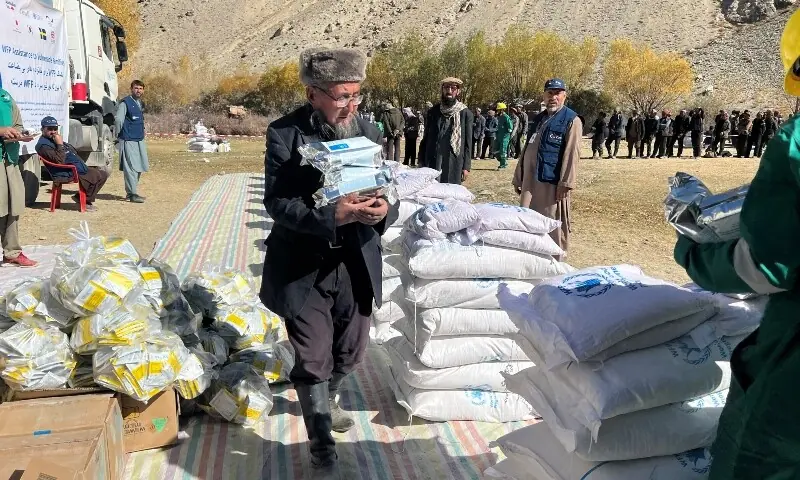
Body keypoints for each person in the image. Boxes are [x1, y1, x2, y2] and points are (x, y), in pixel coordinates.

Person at [259, 48, 398, 478]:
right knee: (314, 356)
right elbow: (277, 203)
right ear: (313, 93)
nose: (351, 105)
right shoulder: (284, 134)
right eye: (342, 97)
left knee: (352, 352)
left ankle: (329, 399)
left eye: (356, 95)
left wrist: (383, 211)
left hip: (354, 262)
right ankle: (323, 449)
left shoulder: (369, 130)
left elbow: (382, 187)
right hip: (304, 266)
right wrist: (329, 216)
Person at [674, 14, 800, 480]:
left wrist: (694, 253)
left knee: (749, 459)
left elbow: (765, 268)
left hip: (791, 377)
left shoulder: (796, 142)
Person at [513, 79, 581, 260]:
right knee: (528, 220)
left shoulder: (571, 120)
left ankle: (554, 263)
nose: (553, 97)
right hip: (529, 181)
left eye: (558, 93)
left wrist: (566, 183)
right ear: (544, 95)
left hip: (552, 183)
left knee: (552, 223)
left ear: (564, 96)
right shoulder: (540, 118)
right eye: (550, 93)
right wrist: (519, 175)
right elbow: (528, 147)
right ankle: (531, 260)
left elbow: (572, 154)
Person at [35, 116, 109, 212]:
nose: (53, 131)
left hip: (74, 167)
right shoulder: (43, 145)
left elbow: (72, 151)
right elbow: (59, 161)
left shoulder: (53, 139)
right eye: (49, 129)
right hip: (64, 171)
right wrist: (60, 144)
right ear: (42, 129)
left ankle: (81, 197)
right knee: (95, 175)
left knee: (103, 174)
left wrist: (62, 144)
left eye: (55, 129)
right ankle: (85, 201)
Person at [0, 87, 37, 267]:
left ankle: (12, 252)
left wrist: (19, 134)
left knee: (13, 203)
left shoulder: (5, 96)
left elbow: (17, 123)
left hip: (10, 158)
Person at [419, 77, 473, 183]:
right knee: (432, 190)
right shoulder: (433, 112)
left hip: (454, 160)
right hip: (433, 159)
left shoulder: (466, 114)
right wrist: (421, 159)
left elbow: (468, 143)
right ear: (442, 89)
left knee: (451, 193)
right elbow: (425, 138)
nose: (449, 91)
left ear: (458, 91)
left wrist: (466, 167)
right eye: (446, 87)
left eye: (453, 88)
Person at [115, 80, 149, 203]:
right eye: (136, 88)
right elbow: (118, 120)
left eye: (140, 88)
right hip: (128, 139)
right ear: (131, 89)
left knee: (139, 166)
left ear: (143, 90)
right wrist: (118, 136)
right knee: (130, 167)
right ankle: (131, 194)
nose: (138, 90)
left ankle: (133, 191)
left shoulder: (140, 103)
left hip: (139, 139)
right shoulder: (125, 103)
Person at [494, 103, 513, 169]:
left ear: (502, 110)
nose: (497, 111)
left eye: (498, 110)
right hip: (499, 136)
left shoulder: (506, 117)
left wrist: (508, 133)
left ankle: (503, 165)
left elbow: (510, 127)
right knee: (496, 150)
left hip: (505, 137)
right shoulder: (499, 117)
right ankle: (503, 161)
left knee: (502, 151)